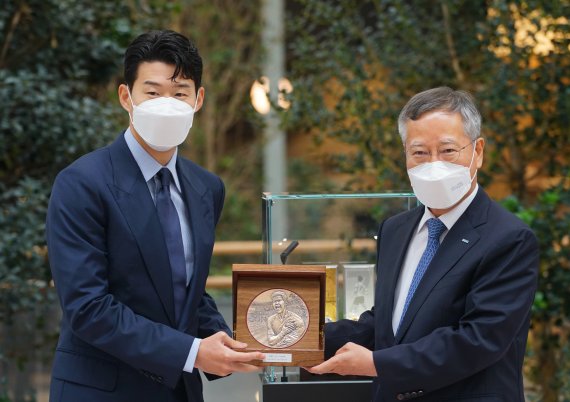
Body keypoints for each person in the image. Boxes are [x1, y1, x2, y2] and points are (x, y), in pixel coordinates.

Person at [46, 30, 264, 402]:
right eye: (152, 92)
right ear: (126, 97)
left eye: (180, 93)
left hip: (180, 392)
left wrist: (235, 341)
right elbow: (88, 308)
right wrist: (193, 352)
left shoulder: (206, 187)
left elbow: (186, 292)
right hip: (102, 391)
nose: (167, 103)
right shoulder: (82, 183)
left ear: (198, 100)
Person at [308, 87, 539, 401]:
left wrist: (377, 363)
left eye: (447, 150)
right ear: (404, 153)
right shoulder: (396, 229)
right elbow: (388, 322)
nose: (433, 164)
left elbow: (479, 339)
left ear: (478, 152)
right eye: (419, 152)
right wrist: (305, 337)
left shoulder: (509, 238)